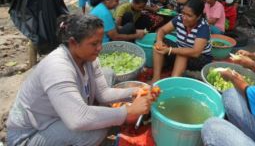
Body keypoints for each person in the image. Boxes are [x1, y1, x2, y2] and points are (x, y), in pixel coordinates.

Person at [6, 14, 158, 146]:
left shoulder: (89, 58)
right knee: (96, 132)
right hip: (31, 135)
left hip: (59, 118)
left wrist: (136, 91)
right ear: (73, 42)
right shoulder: (57, 67)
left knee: (107, 74)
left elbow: (103, 93)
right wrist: (128, 111)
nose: (100, 48)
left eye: (100, 42)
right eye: (94, 43)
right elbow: (78, 119)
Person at [150, 0, 212, 84]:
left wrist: (169, 50)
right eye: (183, 13)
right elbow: (162, 30)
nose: (184, 18)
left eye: (189, 15)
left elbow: (195, 52)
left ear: (198, 17)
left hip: (200, 58)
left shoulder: (203, 27)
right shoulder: (179, 19)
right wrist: (159, 41)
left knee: (182, 54)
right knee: (158, 45)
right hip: (181, 50)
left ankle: (173, 82)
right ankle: (156, 78)